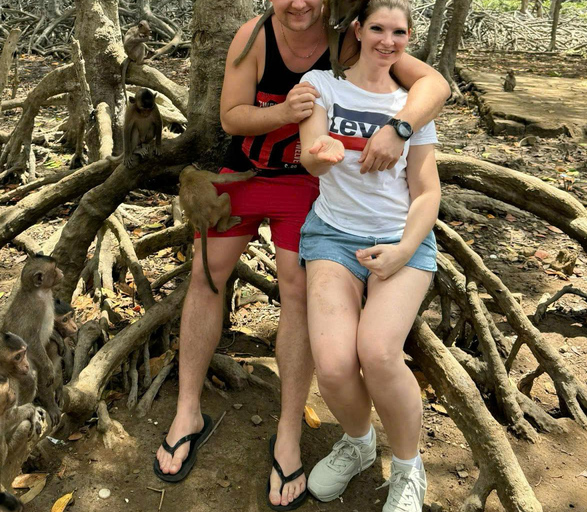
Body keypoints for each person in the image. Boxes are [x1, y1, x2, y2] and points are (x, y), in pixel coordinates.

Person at [154, 1, 449, 510]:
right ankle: (187, 411)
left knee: (294, 286)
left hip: (304, 189)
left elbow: (434, 86)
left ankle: (289, 435)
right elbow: (230, 117)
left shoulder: (353, 39)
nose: (298, 4)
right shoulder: (254, 36)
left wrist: (399, 128)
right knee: (207, 277)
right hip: (243, 175)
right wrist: (286, 116)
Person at [297, 1, 439, 510]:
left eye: (398, 32)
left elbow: (426, 193)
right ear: (357, 29)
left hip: (401, 238)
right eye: (377, 28)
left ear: (408, 39)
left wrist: (404, 250)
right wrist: (319, 154)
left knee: (378, 354)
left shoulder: (411, 107)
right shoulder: (323, 86)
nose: (387, 40)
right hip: (333, 236)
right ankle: (358, 444)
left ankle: (407, 467)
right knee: (333, 365)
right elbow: (309, 155)